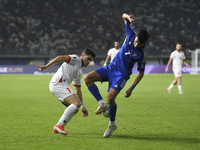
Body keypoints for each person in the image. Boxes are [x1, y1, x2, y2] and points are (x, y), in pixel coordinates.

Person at [84, 13, 150, 138]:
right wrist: (128, 17)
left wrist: (132, 88)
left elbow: (141, 72)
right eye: (136, 42)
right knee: (87, 78)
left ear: (144, 44)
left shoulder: (142, 54)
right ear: (135, 37)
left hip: (122, 74)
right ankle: (102, 104)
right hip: (111, 68)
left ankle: (112, 124)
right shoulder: (132, 32)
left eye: (139, 44)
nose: (136, 45)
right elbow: (123, 16)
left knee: (111, 98)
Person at [37, 48, 96, 135]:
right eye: (88, 59)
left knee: (75, 109)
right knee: (76, 104)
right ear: (82, 56)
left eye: (91, 60)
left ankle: (58, 127)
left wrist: (83, 106)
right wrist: (46, 66)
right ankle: (59, 126)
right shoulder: (76, 59)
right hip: (58, 84)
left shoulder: (79, 72)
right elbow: (60, 58)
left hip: (59, 86)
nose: (89, 61)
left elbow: (78, 90)